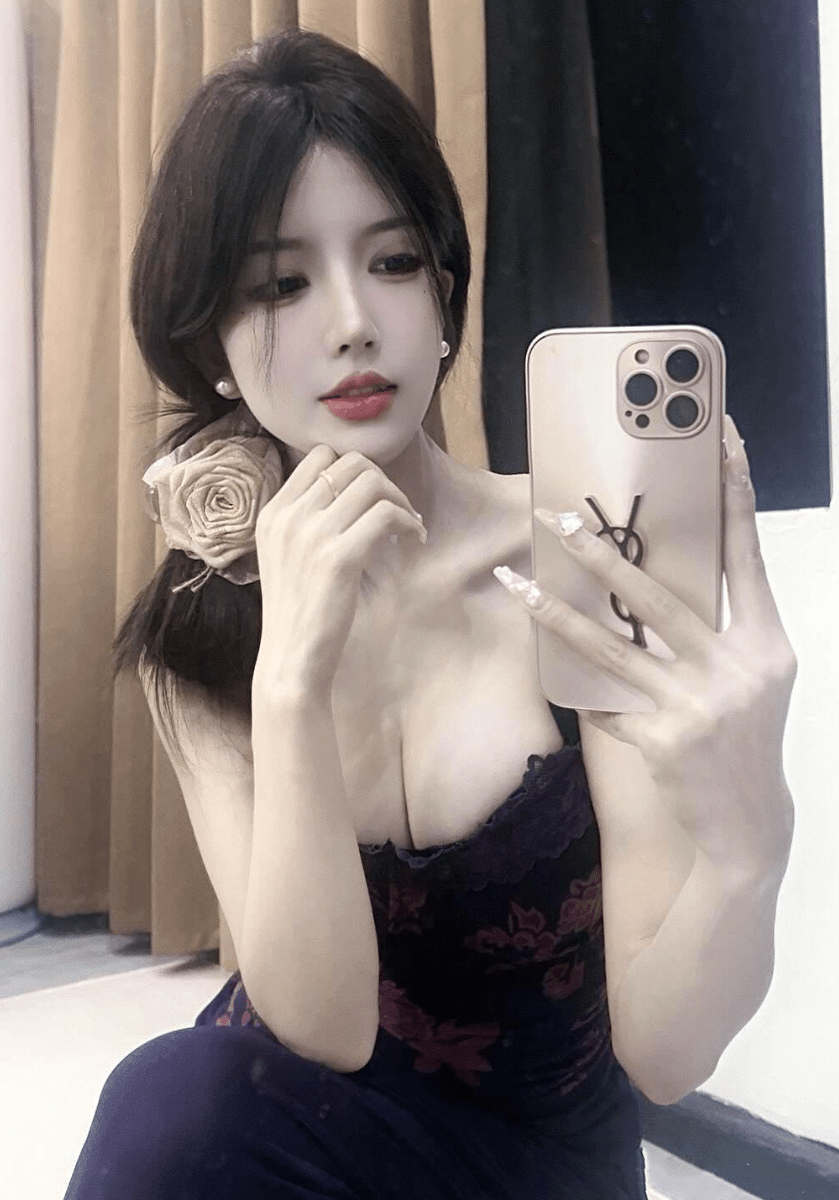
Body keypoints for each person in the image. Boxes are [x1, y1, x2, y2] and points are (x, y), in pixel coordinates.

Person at [64, 28, 797, 1200]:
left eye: (395, 261)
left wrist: (751, 849)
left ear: (445, 298)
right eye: (280, 283)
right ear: (212, 345)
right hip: (303, 1126)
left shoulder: (582, 560)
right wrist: (290, 683)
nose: (353, 319)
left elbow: (667, 1057)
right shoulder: (201, 631)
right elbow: (320, 1028)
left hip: (540, 1159)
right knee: (170, 1104)